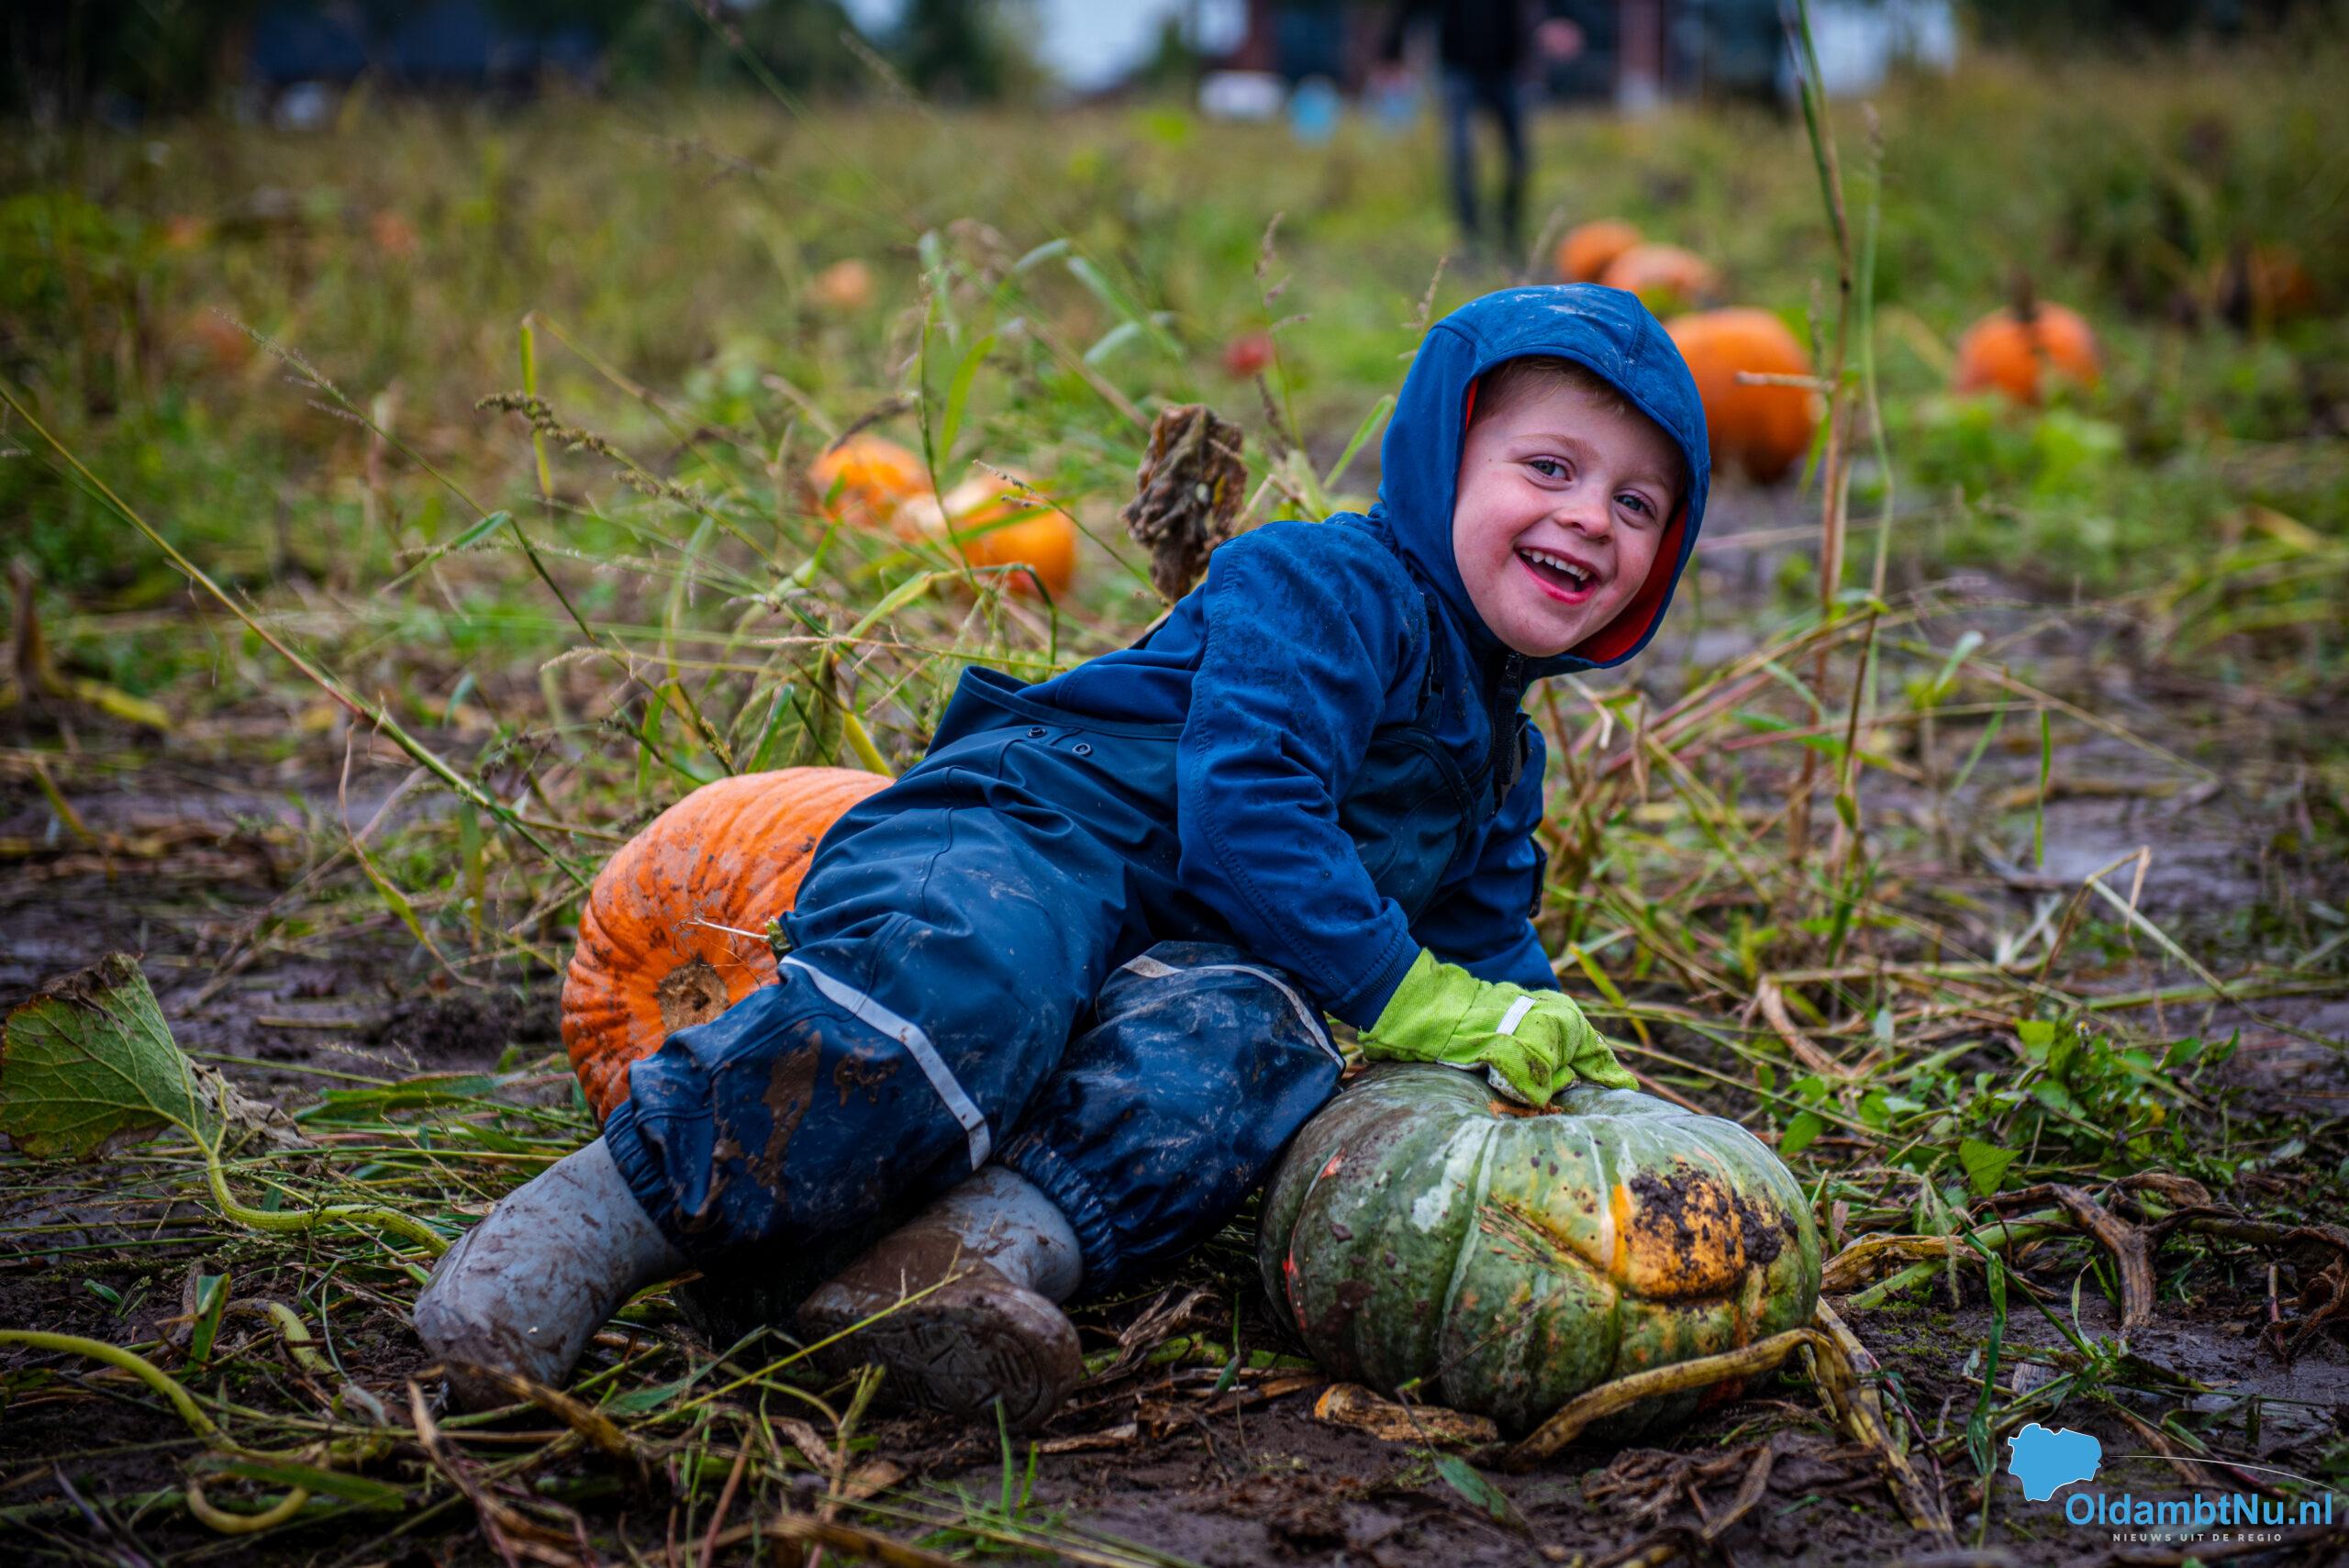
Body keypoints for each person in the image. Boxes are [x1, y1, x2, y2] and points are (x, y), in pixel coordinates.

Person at [414, 284, 1710, 1431]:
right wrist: (1411, 996)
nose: (1589, 518)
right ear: (1441, 463)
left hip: (1177, 952)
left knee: (1257, 1048)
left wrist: (1559, 1060)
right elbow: (1249, 810)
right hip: (1033, 834)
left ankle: (944, 1267)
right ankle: (579, 1229)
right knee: (979, 974)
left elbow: (1487, 949)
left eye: (1636, 502)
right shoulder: (1320, 584)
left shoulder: (1499, 754)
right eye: (1549, 468)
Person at [1379, 0, 1585, 260]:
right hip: (1458, 71)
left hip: (1506, 70)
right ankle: (1470, 239)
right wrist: (1390, 53)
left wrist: (1560, 18)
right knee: (1461, 154)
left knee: (1518, 158)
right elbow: (1411, 7)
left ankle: (1511, 237)